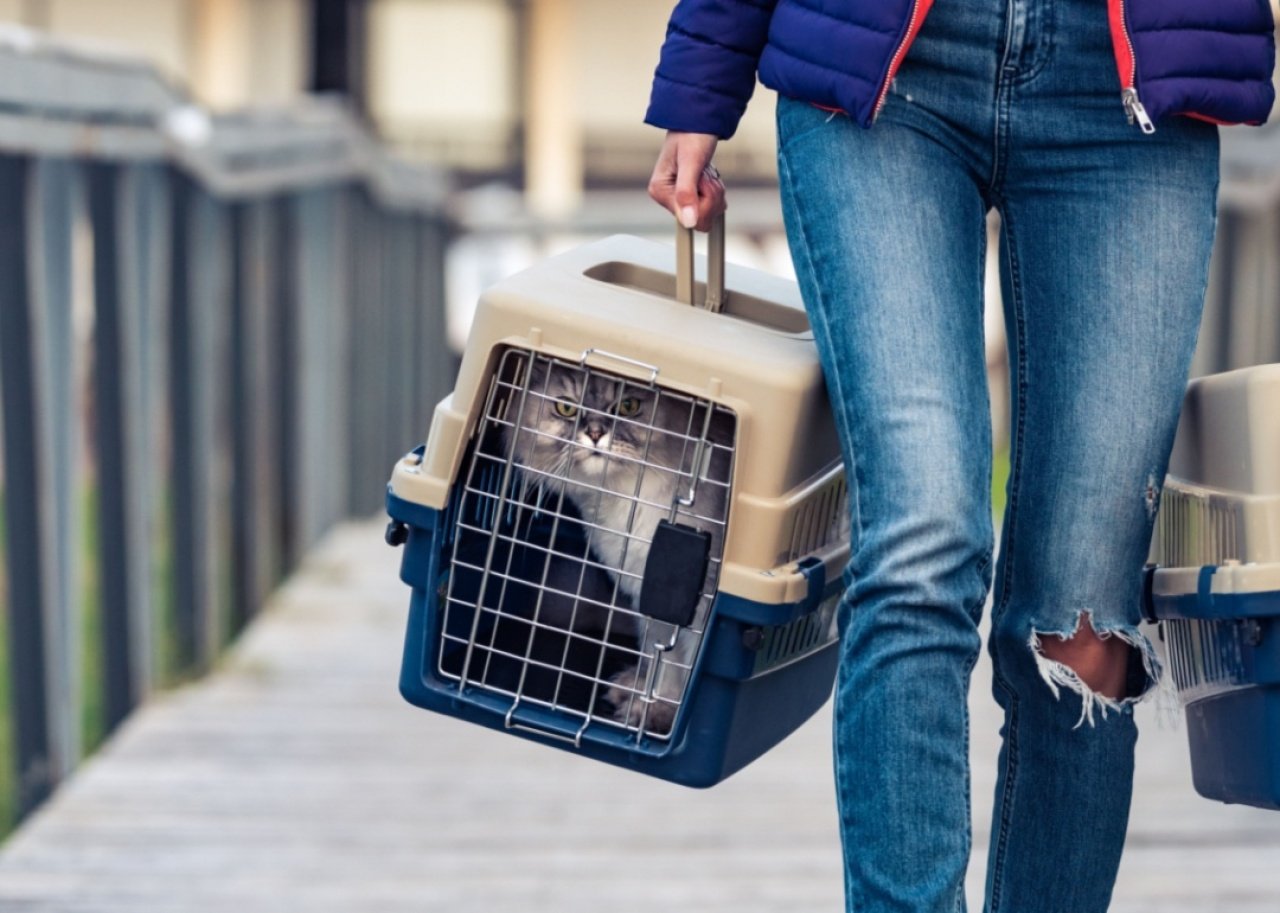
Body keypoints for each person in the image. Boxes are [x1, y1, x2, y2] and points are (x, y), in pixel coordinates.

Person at [644, 1, 1275, 911]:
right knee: (921, 540)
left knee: (1083, 616)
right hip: (883, 76)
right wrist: (703, 76)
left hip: (1130, 95)